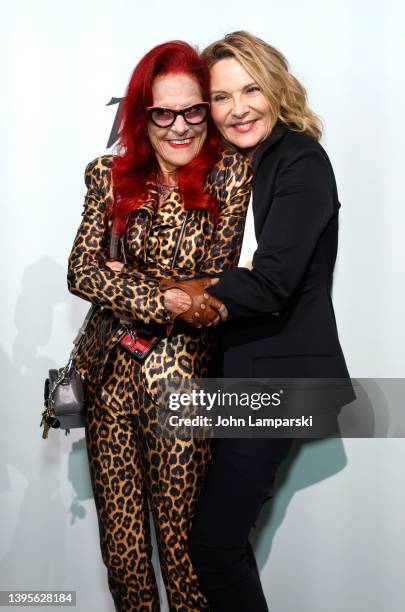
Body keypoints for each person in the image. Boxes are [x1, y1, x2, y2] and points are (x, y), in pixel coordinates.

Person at [161, 31, 354, 611]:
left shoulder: (299, 158)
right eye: (221, 97)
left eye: (251, 89)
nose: (238, 108)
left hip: (280, 379)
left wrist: (171, 294)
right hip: (244, 373)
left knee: (214, 548)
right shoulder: (244, 165)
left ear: (276, 88)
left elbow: (271, 282)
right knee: (217, 544)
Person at [67, 40, 252, 611]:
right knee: (121, 552)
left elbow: (217, 283)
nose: (179, 127)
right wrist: (168, 296)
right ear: (141, 111)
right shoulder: (109, 175)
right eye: (163, 113)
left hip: (183, 382)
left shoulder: (231, 176)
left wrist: (130, 281)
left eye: (194, 110)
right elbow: (81, 271)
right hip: (107, 377)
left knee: (180, 549)